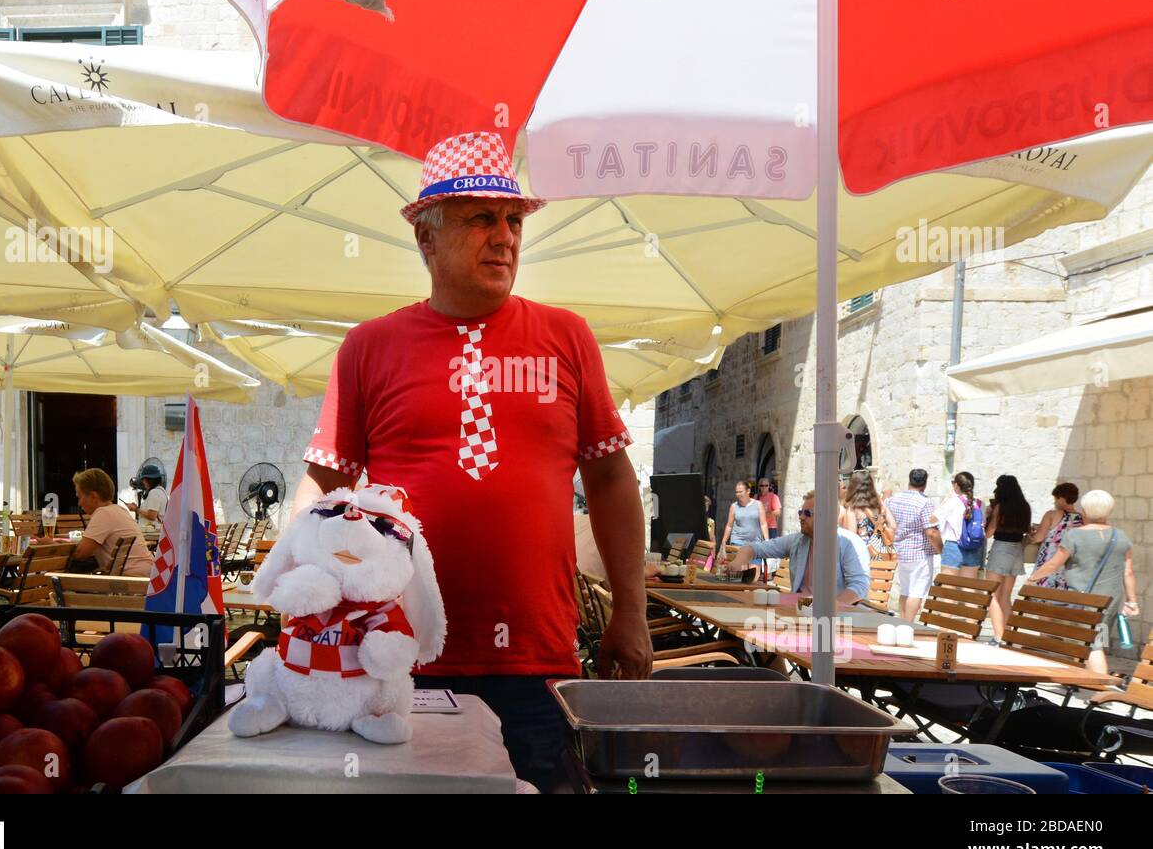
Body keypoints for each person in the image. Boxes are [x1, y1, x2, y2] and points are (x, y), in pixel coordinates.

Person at [290, 132, 649, 792]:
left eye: (513, 220)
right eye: (481, 218)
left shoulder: (566, 336)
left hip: (539, 665)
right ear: (427, 238)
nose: (505, 236)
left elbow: (610, 476)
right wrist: (299, 593)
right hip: (401, 657)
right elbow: (326, 481)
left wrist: (631, 608)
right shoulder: (370, 347)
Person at [1029, 490, 1138, 676]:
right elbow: (1128, 572)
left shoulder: (1075, 536)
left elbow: (1054, 564)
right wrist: (1132, 601)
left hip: (1083, 599)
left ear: (1085, 511)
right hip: (1111, 599)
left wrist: (1032, 579)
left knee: (1092, 644)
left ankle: (1100, 687)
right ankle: (1081, 679)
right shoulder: (1121, 536)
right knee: (1094, 640)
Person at [726, 491, 868, 605]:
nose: (801, 517)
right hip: (797, 605)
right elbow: (753, 549)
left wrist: (830, 608)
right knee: (741, 606)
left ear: (826, 517)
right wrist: (737, 563)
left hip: (831, 613)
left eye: (807, 513)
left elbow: (859, 586)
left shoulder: (850, 543)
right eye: (800, 512)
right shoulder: (799, 540)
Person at [35, 468, 154, 578]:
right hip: (144, 577)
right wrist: (62, 544)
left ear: (93, 496)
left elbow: (80, 554)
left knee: (54, 584)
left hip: (128, 583)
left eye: (79, 497)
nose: (79, 503)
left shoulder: (103, 513)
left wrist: (51, 544)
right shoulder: (119, 510)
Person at [885, 468, 943, 622]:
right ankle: (908, 625)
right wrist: (941, 549)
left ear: (909, 481)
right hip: (919, 553)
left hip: (901, 551)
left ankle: (902, 623)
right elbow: (931, 532)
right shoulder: (925, 503)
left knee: (905, 590)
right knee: (916, 592)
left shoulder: (893, 499)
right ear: (925, 484)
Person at [984, 474, 1032, 642]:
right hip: (1017, 550)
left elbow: (989, 532)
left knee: (992, 595)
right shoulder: (1025, 507)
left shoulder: (1001, 507)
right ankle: (1008, 636)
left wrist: (988, 515)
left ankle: (998, 636)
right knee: (1005, 596)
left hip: (1001, 549)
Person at [936, 471, 984, 578]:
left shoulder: (952, 501)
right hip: (973, 547)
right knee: (968, 588)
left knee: (948, 587)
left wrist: (947, 497)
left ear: (956, 485)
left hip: (953, 546)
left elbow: (933, 519)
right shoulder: (980, 504)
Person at [839, 469, 896, 559]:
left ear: (853, 486)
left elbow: (852, 536)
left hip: (863, 556)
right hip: (881, 552)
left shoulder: (853, 508)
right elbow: (893, 526)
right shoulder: (879, 503)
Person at [1030, 482, 1083, 580]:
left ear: (1061, 499)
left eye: (1055, 499)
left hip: (1049, 562)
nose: (1054, 502)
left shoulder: (1051, 514)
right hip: (1070, 565)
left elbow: (1038, 538)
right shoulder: (1082, 518)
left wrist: (1031, 534)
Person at [719, 480, 768, 582]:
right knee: (738, 576)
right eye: (737, 492)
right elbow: (729, 525)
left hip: (755, 543)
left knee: (754, 576)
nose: (738, 494)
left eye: (740, 492)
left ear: (748, 491)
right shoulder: (734, 506)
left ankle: (749, 595)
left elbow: (763, 524)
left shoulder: (758, 505)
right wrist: (724, 541)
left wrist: (767, 541)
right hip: (738, 542)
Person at [126, 462, 168, 537]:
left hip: (152, 534)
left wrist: (136, 509)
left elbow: (152, 515)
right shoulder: (162, 491)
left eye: (143, 480)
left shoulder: (154, 493)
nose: (143, 482)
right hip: (156, 533)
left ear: (149, 480)